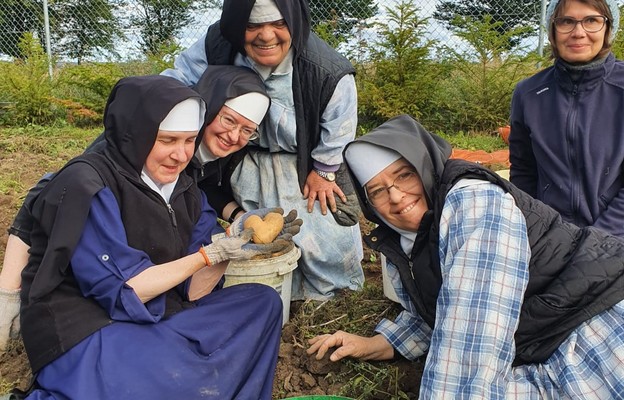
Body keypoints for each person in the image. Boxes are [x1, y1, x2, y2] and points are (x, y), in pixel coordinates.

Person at [16, 75, 296, 399]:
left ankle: (179, 374)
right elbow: (127, 291)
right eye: (167, 140)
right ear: (134, 134)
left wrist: (231, 244)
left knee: (262, 304)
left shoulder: (187, 189)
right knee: (180, 378)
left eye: (189, 140)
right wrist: (209, 255)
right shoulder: (89, 183)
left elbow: (193, 290)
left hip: (159, 316)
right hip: (90, 326)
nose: (181, 155)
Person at [307, 114, 624, 398]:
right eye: (376, 191)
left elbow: (474, 332)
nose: (394, 195)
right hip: (542, 339)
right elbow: (443, 309)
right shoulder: (406, 241)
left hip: (595, 323)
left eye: (404, 175)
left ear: (425, 165)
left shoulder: (472, 203)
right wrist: (376, 345)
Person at [161, 0, 365, 300]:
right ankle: (279, 291)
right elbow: (177, 82)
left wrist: (324, 169)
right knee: (263, 229)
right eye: (253, 25)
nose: (266, 36)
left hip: (307, 159)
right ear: (235, 26)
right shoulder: (217, 45)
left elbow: (340, 123)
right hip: (244, 155)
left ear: (293, 22)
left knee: (323, 230)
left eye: (278, 24)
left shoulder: (325, 69)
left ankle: (333, 296)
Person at [509, 0, 624, 236]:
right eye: (566, 21)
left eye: (591, 20)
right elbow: (523, 173)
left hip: (615, 238)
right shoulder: (528, 94)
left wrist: (594, 242)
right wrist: (536, 231)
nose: (578, 33)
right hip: (550, 238)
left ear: (608, 28)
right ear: (552, 29)